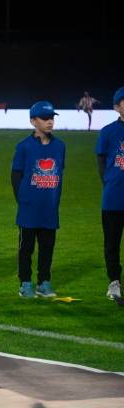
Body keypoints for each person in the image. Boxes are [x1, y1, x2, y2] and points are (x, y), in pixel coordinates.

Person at [11, 101, 65, 298]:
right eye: (45, 118)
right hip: (29, 207)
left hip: (49, 207)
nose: (50, 122)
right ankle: (25, 283)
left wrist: (54, 199)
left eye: (52, 118)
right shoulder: (24, 147)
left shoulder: (60, 146)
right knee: (26, 247)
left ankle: (44, 282)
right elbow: (16, 175)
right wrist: (23, 199)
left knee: (47, 247)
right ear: (33, 121)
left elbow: (60, 174)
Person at [95, 86, 124, 300]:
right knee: (112, 243)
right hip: (114, 197)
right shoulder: (108, 132)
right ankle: (114, 283)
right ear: (116, 106)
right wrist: (111, 183)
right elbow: (102, 164)